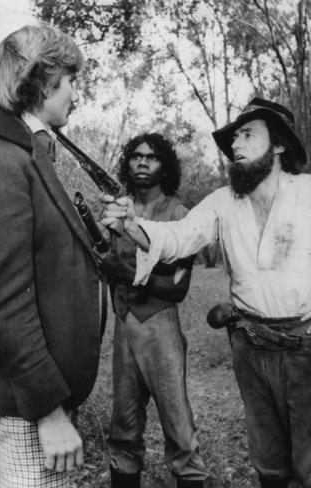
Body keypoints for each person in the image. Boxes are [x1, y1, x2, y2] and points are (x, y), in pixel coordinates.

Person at [102, 98, 311, 488]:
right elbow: (181, 235)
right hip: (249, 346)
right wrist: (135, 225)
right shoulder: (224, 201)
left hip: (305, 346)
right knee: (269, 466)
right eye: (234, 136)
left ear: (279, 145)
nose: (235, 144)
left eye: (247, 134)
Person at [0, 24, 102, 488]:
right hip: (31, 405)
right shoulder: (1, 160)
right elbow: (2, 300)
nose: (76, 94)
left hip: (48, 397)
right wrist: (47, 410)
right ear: (42, 82)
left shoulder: (31, 152)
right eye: (70, 81)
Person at [99, 134, 209, 488]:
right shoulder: (117, 210)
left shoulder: (179, 214)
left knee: (179, 428)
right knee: (123, 429)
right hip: (124, 326)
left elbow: (177, 287)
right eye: (136, 156)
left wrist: (128, 274)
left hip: (161, 328)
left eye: (152, 157)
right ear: (127, 163)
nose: (142, 163)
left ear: (166, 167)